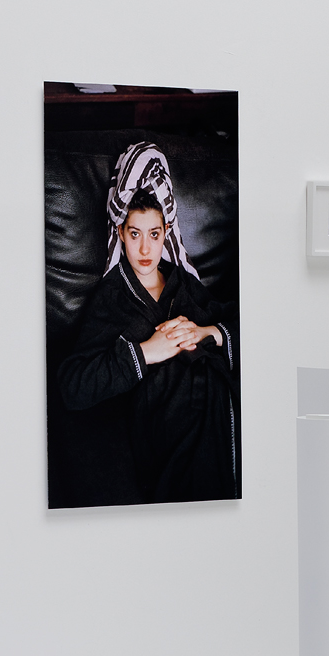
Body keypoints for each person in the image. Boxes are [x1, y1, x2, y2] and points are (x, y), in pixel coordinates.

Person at [57, 146, 238, 504]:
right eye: (135, 234)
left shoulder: (183, 283)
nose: (144, 249)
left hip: (214, 403)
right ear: (121, 233)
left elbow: (246, 323)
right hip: (160, 419)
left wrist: (210, 332)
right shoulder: (111, 297)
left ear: (166, 232)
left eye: (153, 234)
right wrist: (145, 353)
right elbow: (73, 384)